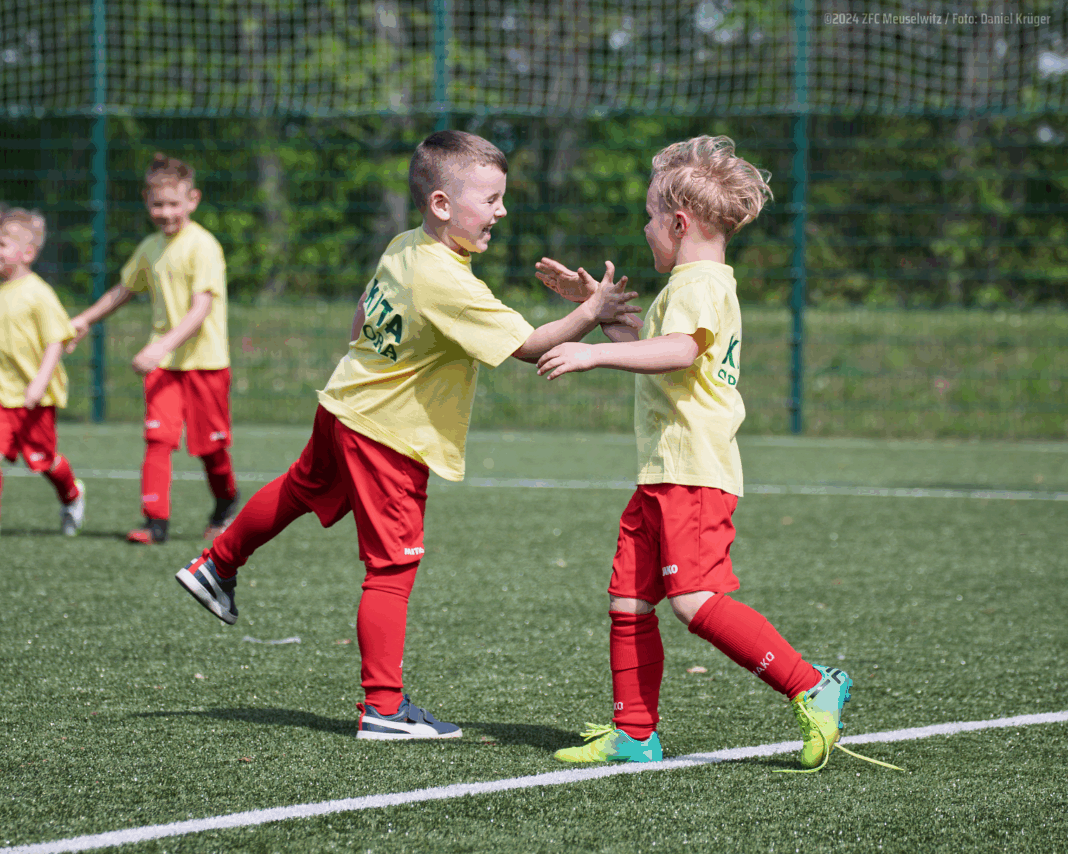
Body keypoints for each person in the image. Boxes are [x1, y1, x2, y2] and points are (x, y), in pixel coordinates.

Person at [174, 130, 641, 740]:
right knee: (391, 565)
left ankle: (216, 564)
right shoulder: (445, 279)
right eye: (492, 198)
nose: (502, 211)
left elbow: (362, 316)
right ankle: (384, 709)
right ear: (442, 205)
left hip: (346, 402)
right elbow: (528, 346)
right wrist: (594, 310)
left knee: (296, 490)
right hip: (387, 434)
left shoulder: (404, 245)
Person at [537, 136, 893, 772]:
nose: (644, 228)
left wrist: (591, 351)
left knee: (695, 601)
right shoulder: (693, 285)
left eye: (650, 217)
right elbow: (658, 351)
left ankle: (812, 684)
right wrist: (595, 313)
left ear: (679, 223)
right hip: (663, 473)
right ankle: (634, 734)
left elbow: (677, 351)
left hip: (693, 472)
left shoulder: (697, 284)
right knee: (629, 599)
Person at [67, 153, 240, 544]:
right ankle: (154, 522)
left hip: (206, 364)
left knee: (210, 450)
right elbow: (123, 289)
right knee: (158, 439)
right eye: (157, 204)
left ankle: (226, 501)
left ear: (192, 200)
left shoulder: (204, 246)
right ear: (146, 201)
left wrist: (159, 346)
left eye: (173, 204)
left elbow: (201, 308)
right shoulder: (150, 247)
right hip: (164, 367)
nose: (165, 212)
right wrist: (85, 319)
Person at [0, 207, 85, 535]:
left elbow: (55, 341)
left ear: (27, 253)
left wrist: (38, 382)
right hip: (3, 394)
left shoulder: (39, 293)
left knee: (42, 460)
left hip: (33, 396)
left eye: (2, 244)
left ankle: (72, 494)